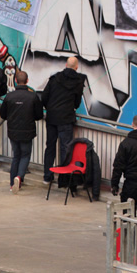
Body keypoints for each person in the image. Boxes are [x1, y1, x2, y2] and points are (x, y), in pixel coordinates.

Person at [41, 56, 86, 185]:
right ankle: (63, 179)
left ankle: (47, 176)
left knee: (50, 147)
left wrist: (50, 108)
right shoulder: (78, 82)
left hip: (52, 117)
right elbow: (77, 103)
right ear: (76, 67)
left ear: (66, 65)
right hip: (66, 118)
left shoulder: (54, 78)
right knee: (65, 148)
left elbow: (44, 97)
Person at [0, 70, 42, 194]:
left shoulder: (9, 96)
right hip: (28, 130)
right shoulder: (33, 96)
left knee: (16, 156)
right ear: (27, 81)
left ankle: (12, 184)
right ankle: (19, 177)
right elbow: (39, 115)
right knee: (25, 155)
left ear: (15, 81)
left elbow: (3, 114)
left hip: (13, 130)